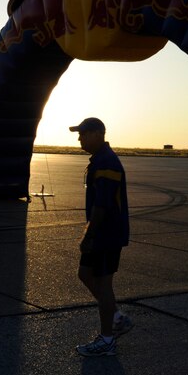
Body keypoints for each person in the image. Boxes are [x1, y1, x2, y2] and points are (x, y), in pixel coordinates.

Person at [70, 117, 132, 357]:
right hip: (101, 232)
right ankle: (116, 316)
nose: (79, 138)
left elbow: (102, 206)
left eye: (84, 133)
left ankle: (107, 340)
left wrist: (89, 235)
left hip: (107, 234)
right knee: (84, 274)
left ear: (98, 134)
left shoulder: (107, 163)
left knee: (104, 285)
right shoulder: (98, 161)